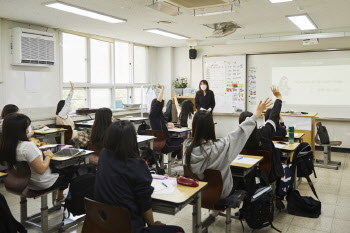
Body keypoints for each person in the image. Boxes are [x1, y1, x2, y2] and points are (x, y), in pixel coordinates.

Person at [94, 121, 184, 233]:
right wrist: (152, 225)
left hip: (103, 224)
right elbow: (144, 204)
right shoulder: (137, 165)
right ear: (132, 140)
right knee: (179, 230)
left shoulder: (104, 155)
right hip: (129, 228)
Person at [184, 98, 272, 201]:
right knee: (240, 176)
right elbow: (239, 133)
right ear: (211, 126)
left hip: (194, 191)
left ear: (194, 126)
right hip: (219, 192)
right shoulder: (220, 147)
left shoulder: (186, 145)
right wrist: (256, 114)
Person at [0, 113, 75, 203]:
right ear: (21, 129)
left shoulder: (5, 145)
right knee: (71, 167)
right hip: (42, 183)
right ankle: (61, 196)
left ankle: (60, 196)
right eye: (27, 126)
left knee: (58, 166)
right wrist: (48, 155)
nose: (29, 129)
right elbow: (41, 170)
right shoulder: (27, 146)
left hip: (24, 181)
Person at [239, 86, 284, 182]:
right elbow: (274, 116)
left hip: (245, 175)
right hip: (267, 173)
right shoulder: (264, 132)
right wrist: (278, 98)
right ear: (254, 123)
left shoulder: (238, 138)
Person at [149, 84, 183, 164]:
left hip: (162, 142)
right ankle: (177, 161)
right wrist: (162, 88)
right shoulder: (153, 114)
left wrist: (168, 125)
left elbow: (160, 125)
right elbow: (158, 102)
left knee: (179, 139)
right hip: (164, 144)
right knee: (183, 142)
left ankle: (171, 160)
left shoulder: (159, 116)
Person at [56, 81, 88, 147]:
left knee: (87, 134)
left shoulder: (64, 116)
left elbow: (71, 129)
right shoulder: (61, 115)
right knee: (89, 137)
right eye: (69, 105)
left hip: (72, 134)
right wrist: (72, 90)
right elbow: (67, 101)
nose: (70, 106)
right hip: (71, 136)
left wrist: (77, 131)